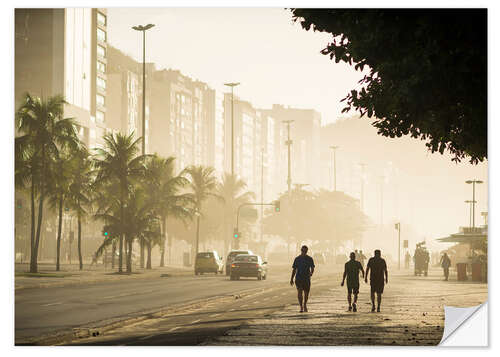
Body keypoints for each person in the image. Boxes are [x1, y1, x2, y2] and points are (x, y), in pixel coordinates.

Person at [290, 245, 315, 313]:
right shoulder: (297, 259)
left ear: (307, 251)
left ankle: (305, 304)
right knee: (300, 292)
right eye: (303, 251)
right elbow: (294, 269)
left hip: (306, 278)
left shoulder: (310, 259)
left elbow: (312, 268)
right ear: (301, 250)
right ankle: (301, 306)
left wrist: (311, 273)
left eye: (305, 251)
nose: (304, 252)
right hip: (299, 278)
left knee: (306, 294)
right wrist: (291, 279)